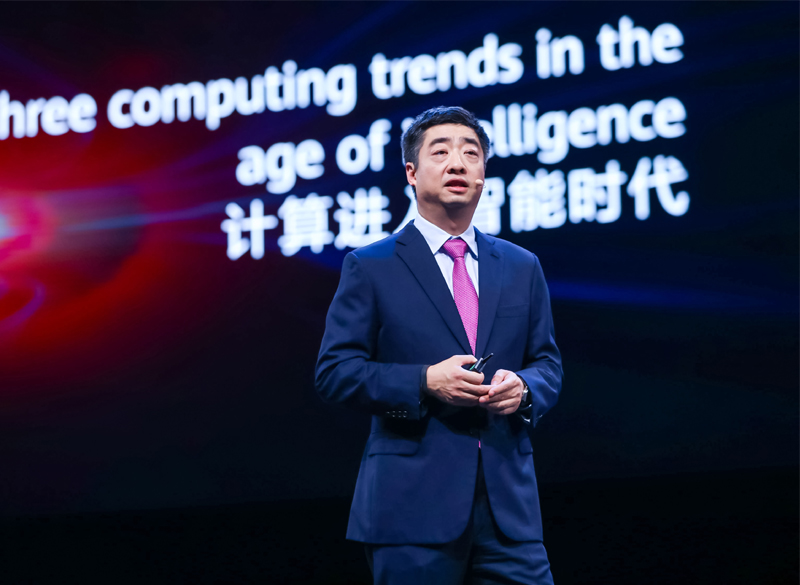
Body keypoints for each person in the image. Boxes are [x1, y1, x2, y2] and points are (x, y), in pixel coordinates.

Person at [315, 106, 562, 584]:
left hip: (509, 510)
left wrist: (525, 388)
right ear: (411, 172)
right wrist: (425, 381)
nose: (457, 163)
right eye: (441, 152)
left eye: (471, 153)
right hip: (410, 507)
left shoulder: (521, 265)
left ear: (483, 174)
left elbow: (547, 363)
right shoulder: (372, 265)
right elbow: (335, 371)